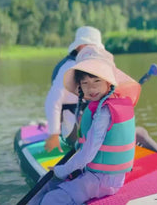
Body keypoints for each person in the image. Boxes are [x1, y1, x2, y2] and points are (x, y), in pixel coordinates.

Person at [30, 46, 141, 204]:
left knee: (51, 198)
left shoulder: (104, 113)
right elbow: (87, 145)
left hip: (102, 179)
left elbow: (88, 154)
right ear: (80, 87)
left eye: (97, 81)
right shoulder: (104, 105)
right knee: (50, 183)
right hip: (102, 174)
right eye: (85, 83)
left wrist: (62, 171)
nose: (92, 88)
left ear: (108, 83)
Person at [44, 26, 105, 153]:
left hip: (88, 124)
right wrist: (54, 134)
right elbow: (52, 101)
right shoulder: (69, 67)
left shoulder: (89, 66)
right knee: (138, 134)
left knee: (139, 132)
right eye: (95, 48)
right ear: (81, 47)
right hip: (73, 130)